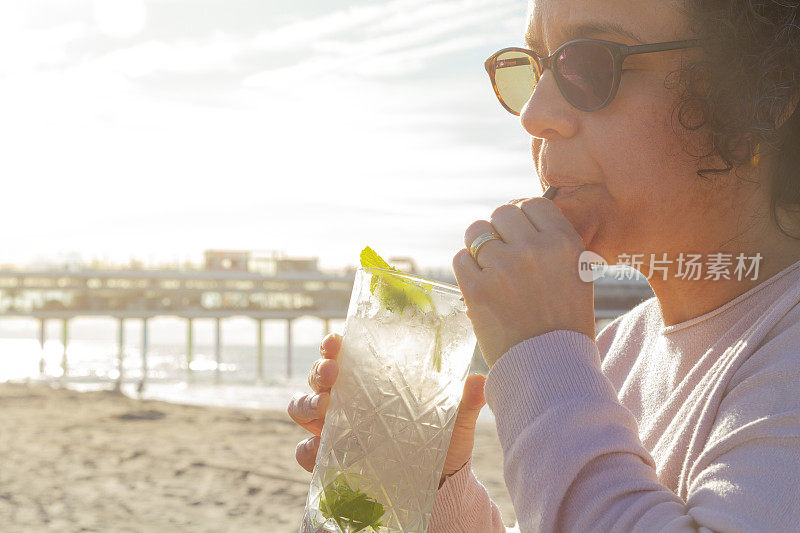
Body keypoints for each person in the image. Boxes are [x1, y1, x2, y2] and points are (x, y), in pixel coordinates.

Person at [289, 0, 800, 530]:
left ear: (769, 89)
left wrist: (543, 353)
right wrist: (432, 486)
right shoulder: (619, 350)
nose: (534, 114)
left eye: (590, 63)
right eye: (534, 67)